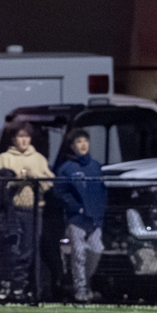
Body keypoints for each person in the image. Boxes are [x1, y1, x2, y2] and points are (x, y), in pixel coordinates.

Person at [0, 123, 54, 302]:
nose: (24, 140)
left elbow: (49, 183)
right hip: (12, 210)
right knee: (11, 248)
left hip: (33, 210)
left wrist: (34, 179)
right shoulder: (4, 158)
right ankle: (6, 284)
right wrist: (15, 180)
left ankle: (20, 286)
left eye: (27, 136)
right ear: (13, 139)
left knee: (29, 250)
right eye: (20, 136)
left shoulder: (38, 158)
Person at [54, 129, 106, 303]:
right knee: (79, 253)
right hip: (76, 219)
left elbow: (102, 192)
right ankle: (80, 289)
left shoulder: (96, 166)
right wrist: (76, 208)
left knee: (96, 249)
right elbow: (60, 191)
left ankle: (86, 281)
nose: (83, 145)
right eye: (79, 142)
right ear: (72, 146)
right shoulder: (67, 168)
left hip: (95, 219)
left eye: (85, 141)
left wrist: (100, 211)